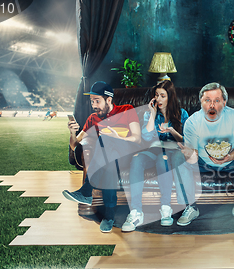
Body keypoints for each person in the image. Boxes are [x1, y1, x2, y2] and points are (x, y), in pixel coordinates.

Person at [178, 82, 234, 225]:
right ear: (201, 102)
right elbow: (192, 153)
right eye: (207, 100)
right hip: (203, 162)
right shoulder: (192, 122)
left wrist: (230, 156)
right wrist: (189, 153)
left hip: (231, 161)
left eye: (217, 100)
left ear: (224, 102)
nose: (212, 105)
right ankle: (191, 207)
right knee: (179, 158)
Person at [62, 81, 141, 233]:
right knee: (108, 163)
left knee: (106, 141)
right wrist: (72, 132)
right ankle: (109, 216)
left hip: (128, 156)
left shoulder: (127, 110)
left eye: (97, 101)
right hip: (109, 160)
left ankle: (86, 191)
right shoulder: (93, 119)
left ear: (109, 100)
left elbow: (137, 139)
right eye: (92, 101)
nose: (94, 105)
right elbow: (74, 145)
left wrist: (117, 137)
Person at [122, 80, 192, 232]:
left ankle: (166, 209)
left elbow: (187, 141)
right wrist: (152, 115)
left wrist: (172, 131)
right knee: (137, 159)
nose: (159, 99)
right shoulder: (150, 114)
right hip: (153, 150)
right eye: (156, 95)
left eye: (162, 96)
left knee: (163, 159)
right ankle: (136, 212)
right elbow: (146, 138)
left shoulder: (182, 114)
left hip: (172, 151)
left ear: (170, 97)